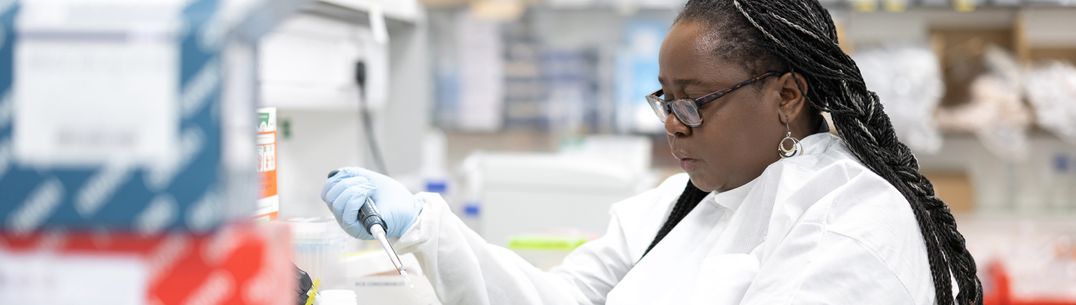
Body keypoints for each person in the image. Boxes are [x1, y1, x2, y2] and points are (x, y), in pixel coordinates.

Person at [321, 0, 983, 304]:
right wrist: (422, 227)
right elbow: (563, 299)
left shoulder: (851, 222)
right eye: (664, 98)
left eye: (694, 99)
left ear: (786, 95)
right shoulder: (687, 200)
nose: (674, 123)